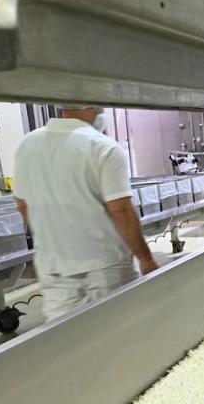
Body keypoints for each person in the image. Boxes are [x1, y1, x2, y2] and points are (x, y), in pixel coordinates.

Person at [13, 105, 158, 322]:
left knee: (68, 339)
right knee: (118, 332)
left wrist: (55, 236)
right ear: (94, 105)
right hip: (104, 266)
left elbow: (23, 204)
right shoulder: (102, 146)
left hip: (53, 266)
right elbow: (121, 210)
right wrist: (146, 259)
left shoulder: (27, 144)